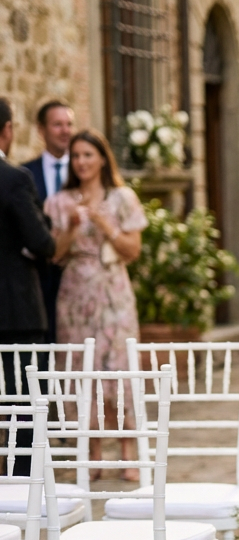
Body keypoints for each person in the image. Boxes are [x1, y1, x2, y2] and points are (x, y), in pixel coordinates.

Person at [45, 129, 147, 478]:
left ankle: (127, 449)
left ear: (102, 157)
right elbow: (54, 255)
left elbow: (133, 251)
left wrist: (105, 224)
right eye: (76, 156)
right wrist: (72, 228)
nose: (82, 162)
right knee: (79, 365)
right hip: (75, 292)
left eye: (88, 155)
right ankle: (92, 452)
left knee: (118, 363)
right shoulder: (61, 200)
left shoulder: (121, 198)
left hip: (112, 288)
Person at [0, 97, 73, 475]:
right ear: (8, 130)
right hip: (16, 310)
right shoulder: (15, 179)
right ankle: (20, 481)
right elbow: (43, 243)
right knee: (24, 400)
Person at [23, 100, 74, 342]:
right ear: (41, 129)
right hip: (39, 277)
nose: (65, 130)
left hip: (75, 276)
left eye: (69, 124)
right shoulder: (25, 174)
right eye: (57, 125)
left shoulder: (83, 169)